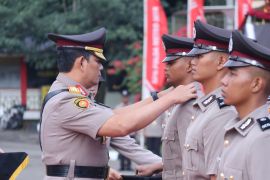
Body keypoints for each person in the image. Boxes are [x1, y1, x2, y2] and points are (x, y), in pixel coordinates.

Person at [41, 27, 197, 180]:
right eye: (97, 61)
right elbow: (120, 125)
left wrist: (160, 96)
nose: (101, 67)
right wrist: (170, 99)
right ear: (82, 63)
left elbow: (115, 116)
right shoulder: (66, 101)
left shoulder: (73, 96)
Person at [137, 34, 202, 179]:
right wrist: (159, 166)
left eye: (171, 63)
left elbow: (193, 162)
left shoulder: (191, 101)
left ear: (189, 65)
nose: (165, 68)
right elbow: (180, 155)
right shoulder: (178, 99)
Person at [182, 20, 238, 180]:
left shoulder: (222, 112)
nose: (192, 61)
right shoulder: (206, 107)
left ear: (221, 61)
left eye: (199, 56)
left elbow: (215, 175)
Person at [216, 30, 270, 180]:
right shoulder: (235, 127)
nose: (223, 81)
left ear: (256, 83)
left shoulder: (263, 138)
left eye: (232, 74)